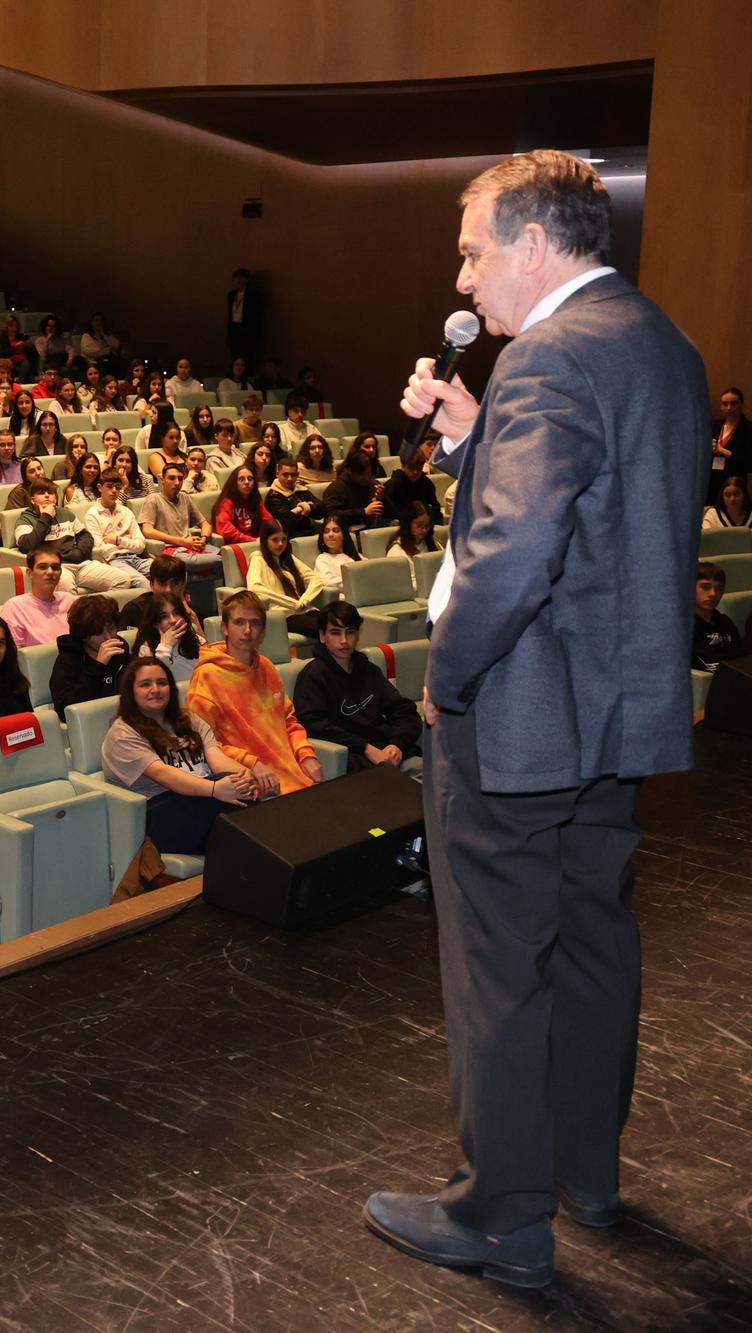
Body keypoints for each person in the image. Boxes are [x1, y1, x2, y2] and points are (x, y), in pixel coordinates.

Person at [369, 171, 707, 1286]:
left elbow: (514, 557)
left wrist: (445, 682)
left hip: (518, 717)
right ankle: (582, 1168)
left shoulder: (546, 356)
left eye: (471, 253)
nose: (461, 277)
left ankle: (500, 1214)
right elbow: (599, 516)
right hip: (611, 717)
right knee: (593, 937)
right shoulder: (654, 336)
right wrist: (475, 439)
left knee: (497, 966)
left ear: (527, 245)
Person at [98, 658, 256, 863]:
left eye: (162, 683)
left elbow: (217, 759)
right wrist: (216, 788)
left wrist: (245, 773)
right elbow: (163, 775)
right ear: (131, 692)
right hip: (160, 815)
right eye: (145, 684)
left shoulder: (189, 720)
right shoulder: (123, 734)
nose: (155, 689)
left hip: (206, 801)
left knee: (241, 794)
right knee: (241, 816)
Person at [186, 591, 323, 797]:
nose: (247, 630)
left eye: (255, 623)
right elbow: (201, 742)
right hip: (248, 780)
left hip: (291, 775)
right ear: (224, 628)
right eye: (239, 622)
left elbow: (288, 721)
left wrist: (305, 755)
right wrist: (251, 764)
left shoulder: (266, 667)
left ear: (263, 630)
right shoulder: (207, 675)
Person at [293, 601, 424, 776]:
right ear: (322, 636)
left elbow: (404, 711)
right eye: (335, 633)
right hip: (354, 761)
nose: (344, 641)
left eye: (350, 632)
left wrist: (396, 744)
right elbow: (312, 724)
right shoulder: (313, 675)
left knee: (432, 777)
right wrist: (365, 748)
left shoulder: (368, 669)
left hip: (390, 754)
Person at [49, 595, 132, 712]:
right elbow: (64, 709)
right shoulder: (68, 660)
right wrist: (97, 667)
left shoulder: (122, 652)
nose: (108, 637)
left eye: (111, 628)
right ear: (83, 636)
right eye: (98, 633)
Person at [246, 520, 328, 635]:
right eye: (275, 540)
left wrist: (304, 601)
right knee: (326, 630)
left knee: (339, 622)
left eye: (284, 540)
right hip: (284, 615)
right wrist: (292, 604)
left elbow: (315, 579)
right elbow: (255, 588)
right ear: (265, 540)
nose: (280, 544)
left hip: (305, 610)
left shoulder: (288, 558)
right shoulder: (258, 559)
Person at [0, 545, 76, 648]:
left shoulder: (70, 600)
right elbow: (14, 655)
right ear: (30, 573)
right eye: (42, 567)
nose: (50, 572)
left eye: (55, 567)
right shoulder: (14, 607)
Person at [693, 560, 746, 672]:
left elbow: (743, 655)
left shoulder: (724, 621)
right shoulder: (685, 626)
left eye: (719, 588)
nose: (713, 593)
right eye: (705, 587)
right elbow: (709, 664)